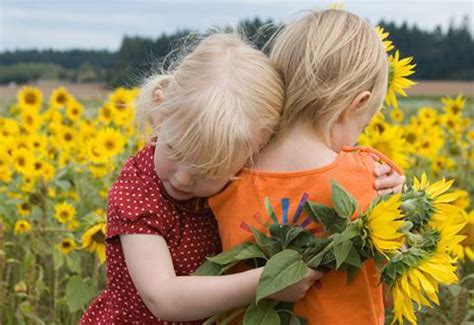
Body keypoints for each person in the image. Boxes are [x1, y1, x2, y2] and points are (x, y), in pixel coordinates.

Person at [80, 33, 322, 324]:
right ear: (160, 112)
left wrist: (383, 179)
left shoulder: (246, 175)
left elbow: (316, 169)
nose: (183, 179)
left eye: (209, 170)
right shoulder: (137, 191)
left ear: (254, 154)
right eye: (175, 150)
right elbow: (163, 298)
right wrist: (268, 281)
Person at [209, 9, 402, 325]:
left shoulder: (226, 173)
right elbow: (391, 289)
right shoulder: (372, 177)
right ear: (357, 103)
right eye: (363, 124)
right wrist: (396, 212)